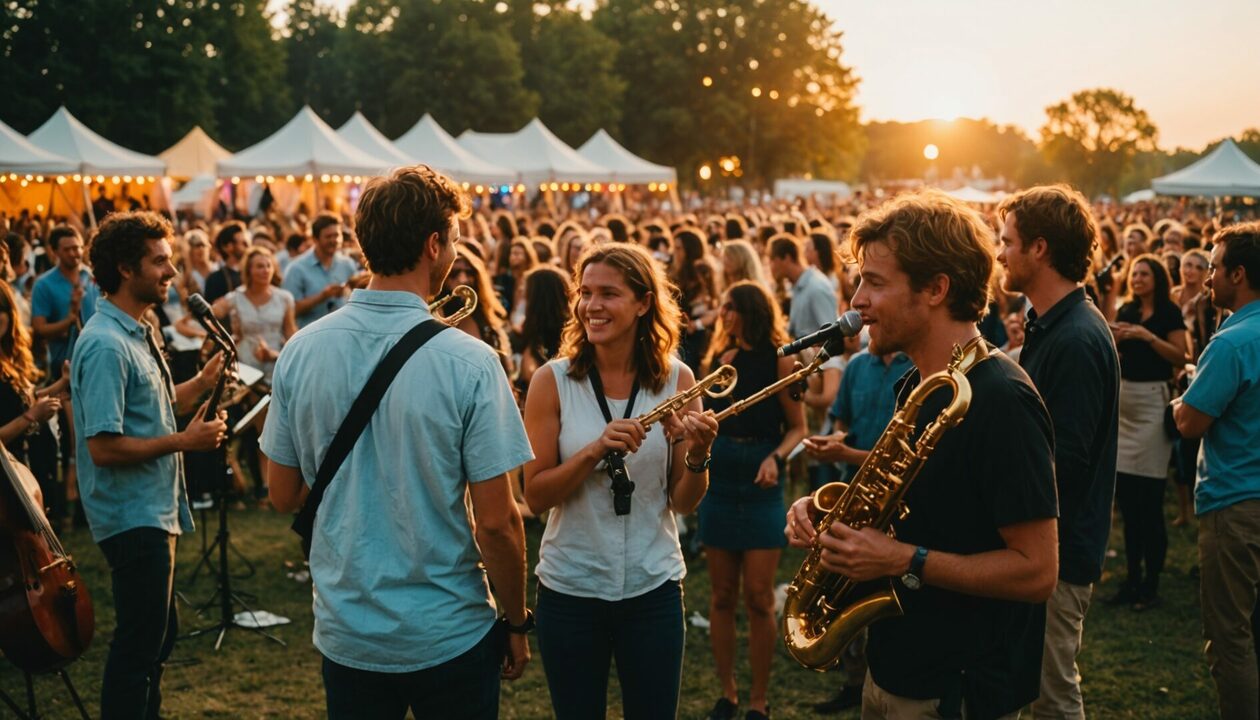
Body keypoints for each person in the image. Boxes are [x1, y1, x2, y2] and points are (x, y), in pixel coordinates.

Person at [261, 166, 532, 719]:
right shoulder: (472, 362)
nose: (455, 252)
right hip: (448, 628)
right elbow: (499, 522)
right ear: (434, 245)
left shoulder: (302, 350)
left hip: (349, 626)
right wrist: (517, 620)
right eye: (454, 239)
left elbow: (282, 494)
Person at [786, 190, 1058, 720]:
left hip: (958, 688)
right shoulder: (917, 383)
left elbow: (1037, 571)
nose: (857, 301)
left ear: (936, 289)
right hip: (897, 669)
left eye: (876, 283)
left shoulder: (1002, 399)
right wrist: (827, 515)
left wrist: (903, 560)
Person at [522, 243, 719, 720]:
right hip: (572, 588)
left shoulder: (677, 380)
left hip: (652, 588)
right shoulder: (553, 382)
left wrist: (699, 453)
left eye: (608, 294)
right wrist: (593, 450)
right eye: (585, 293)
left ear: (643, 303)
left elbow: (683, 502)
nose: (592, 306)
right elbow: (535, 494)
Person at [70, 211, 227, 719]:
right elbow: (104, 446)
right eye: (160, 261)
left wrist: (201, 385)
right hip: (129, 515)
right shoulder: (104, 344)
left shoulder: (138, 331)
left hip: (155, 509)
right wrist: (187, 441)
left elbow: (152, 413)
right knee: (139, 648)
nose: (173, 272)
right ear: (125, 267)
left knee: (157, 642)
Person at [996, 185, 1121, 720]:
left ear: (1039, 249)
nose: (998, 253)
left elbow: (1062, 463)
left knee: (1052, 697)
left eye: (1007, 241)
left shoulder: (1074, 338)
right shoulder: (1053, 325)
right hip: (1042, 547)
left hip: (1057, 552)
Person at [697, 279, 805, 720]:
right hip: (719, 480)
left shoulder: (781, 360)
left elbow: (798, 427)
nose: (721, 314)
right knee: (722, 594)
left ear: (750, 311)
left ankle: (759, 699)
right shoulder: (720, 361)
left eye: (729, 307)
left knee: (759, 596)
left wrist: (776, 458)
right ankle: (729, 693)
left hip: (762, 480)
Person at [1173, 221, 1260, 720]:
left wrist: (1181, 396)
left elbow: (1189, 423)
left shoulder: (1232, 344)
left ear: (1239, 274)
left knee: (1231, 638)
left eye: (1213, 268)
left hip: (1236, 504)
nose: (1207, 279)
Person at [1107, 253, 1187, 610]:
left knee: (1150, 502)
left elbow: (1180, 355)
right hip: (1126, 405)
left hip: (1153, 406)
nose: (1137, 278)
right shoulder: (1126, 311)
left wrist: (1144, 336)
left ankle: (1150, 585)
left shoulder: (1168, 313)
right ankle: (1131, 578)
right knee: (1127, 500)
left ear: (1156, 277)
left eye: (1144, 273)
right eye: (1134, 273)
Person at [211, 245, 296, 383]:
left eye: (269, 266)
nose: (265, 270)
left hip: (275, 358)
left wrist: (282, 356)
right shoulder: (236, 297)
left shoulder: (284, 298)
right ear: (249, 270)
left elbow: (290, 332)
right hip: (245, 362)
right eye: (260, 266)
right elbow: (211, 314)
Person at [31, 225, 100, 375]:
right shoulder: (43, 285)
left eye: (77, 248)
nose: (73, 253)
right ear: (55, 252)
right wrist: (69, 321)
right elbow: (40, 329)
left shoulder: (93, 278)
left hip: (96, 358)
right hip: (63, 365)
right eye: (67, 249)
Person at [282, 212, 363, 328]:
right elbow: (290, 311)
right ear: (315, 239)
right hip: (310, 336)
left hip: (343, 332)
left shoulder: (347, 264)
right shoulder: (296, 268)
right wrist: (322, 296)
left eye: (337, 235)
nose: (334, 240)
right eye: (328, 236)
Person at [767, 233, 837, 339]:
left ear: (786, 258)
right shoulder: (797, 287)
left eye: (772, 260)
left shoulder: (816, 287)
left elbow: (832, 335)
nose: (770, 266)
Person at [203, 221, 250, 303]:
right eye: (244, 243)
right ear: (227, 247)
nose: (248, 247)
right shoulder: (215, 280)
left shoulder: (253, 273)